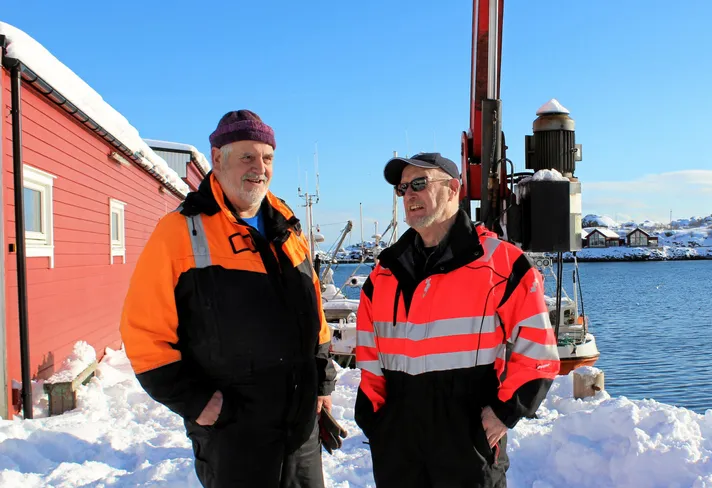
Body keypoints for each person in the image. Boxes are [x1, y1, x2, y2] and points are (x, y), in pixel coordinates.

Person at [120, 110, 340, 488]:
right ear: (217, 158)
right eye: (247, 157)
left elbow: (315, 316)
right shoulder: (179, 232)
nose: (259, 168)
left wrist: (321, 385)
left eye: (267, 158)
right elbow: (143, 332)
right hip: (234, 432)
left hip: (300, 427)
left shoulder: (287, 230)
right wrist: (195, 401)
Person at [354, 152, 560, 487]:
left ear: (452, 189)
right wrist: (375, 417)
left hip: (467, 438)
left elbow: (538, 351)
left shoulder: (501, 263)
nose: (409, 194)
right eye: (402, 188)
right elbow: (368, 352)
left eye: (419, 183)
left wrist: (505, 411)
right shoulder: (384, 273)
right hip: (399, 442)